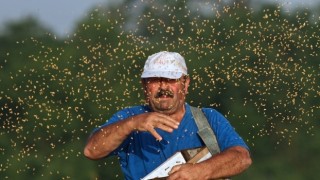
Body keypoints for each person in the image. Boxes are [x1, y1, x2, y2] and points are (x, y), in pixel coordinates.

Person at [84, 51, 252, 180]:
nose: (163, 86)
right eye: (155, 80)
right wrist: (132, 124)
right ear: (145, 86)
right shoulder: (129, 117)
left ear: (185, 84)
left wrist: (200, 171)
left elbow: (242, 158)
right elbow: (92, 151)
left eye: (171, 79)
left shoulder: (207, 118)